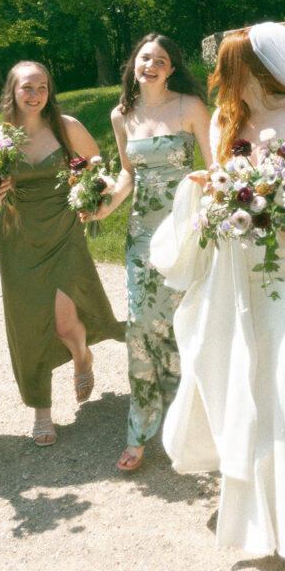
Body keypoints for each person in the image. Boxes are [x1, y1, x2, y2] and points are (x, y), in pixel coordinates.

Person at [150, 23, 285, 571]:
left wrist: (283, 198)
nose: (224, 80)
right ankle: (264, 515)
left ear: (259, 69)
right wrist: (209, 187)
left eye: (232, 70)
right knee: (248, 381)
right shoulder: (224, 119)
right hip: (238, 267)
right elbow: (219, 180)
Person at [84, 33, 212, 473]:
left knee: (183, 323)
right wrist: (104, 204)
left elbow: (214, 170)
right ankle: (139, 428)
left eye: (161, 59)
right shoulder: (122, 114)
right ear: (133, 65)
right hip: (142, 236)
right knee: (140, 326)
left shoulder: (191, 107)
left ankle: (187, 424)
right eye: (145, 58)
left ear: (172, 67)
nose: (151, 65)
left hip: (187, 231)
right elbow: (126, 174)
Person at [0, 61, 124, 446]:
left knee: (65, 325)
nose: (35, 95)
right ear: (12, 91)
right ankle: (41, 410)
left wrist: (93, 188)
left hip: (64, 233)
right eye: (26, 88)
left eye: (42, 87)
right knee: (29, 325)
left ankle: (82, 356)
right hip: (19, 240)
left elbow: (98, 165)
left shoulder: (67, 128)